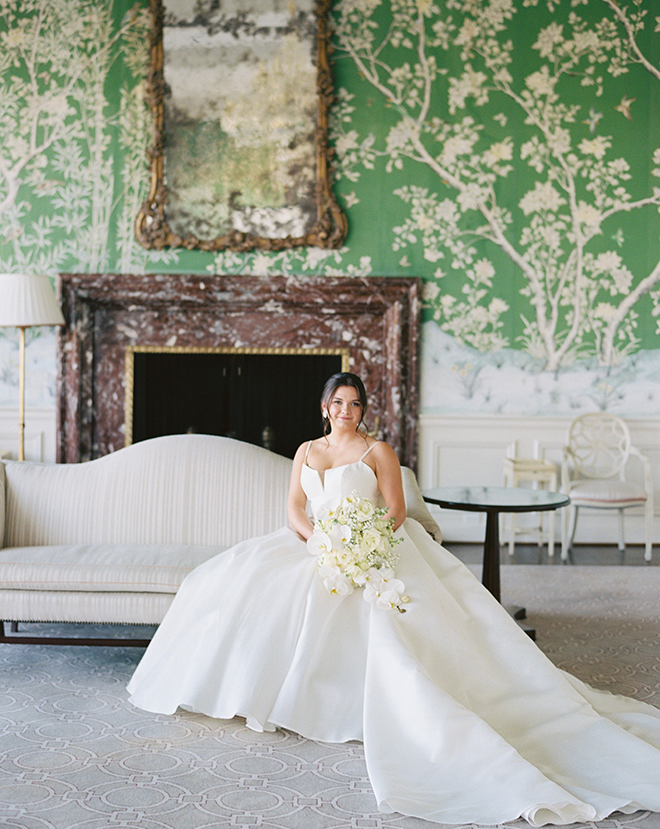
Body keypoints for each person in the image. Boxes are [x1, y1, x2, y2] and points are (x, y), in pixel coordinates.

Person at [128, 373, 660, 826]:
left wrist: (365, 548)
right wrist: (319, 543)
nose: (346, 411)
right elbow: (294, 507)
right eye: (338, 403)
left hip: (379, 545)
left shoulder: (378, 449)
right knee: (235, 585)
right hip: (319, 546)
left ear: (363, 410)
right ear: (324, 408)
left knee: (400, 624)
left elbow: (396, 509)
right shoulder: (306, 451)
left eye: (355, 404)